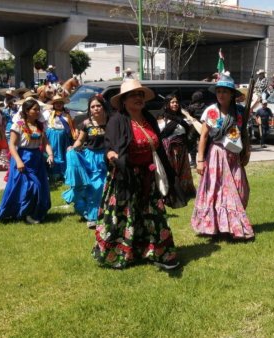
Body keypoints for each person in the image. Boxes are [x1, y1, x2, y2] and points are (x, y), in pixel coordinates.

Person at [92, 79, 179, 270]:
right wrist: (111, 154)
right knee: (124, 217)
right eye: (134, 95)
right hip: (125, 177)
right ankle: (119, 254)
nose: (139, 98)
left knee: (154, 216)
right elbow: (109, 145)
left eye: (141, 95)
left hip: (149, 177)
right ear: (124, 100)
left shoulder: (148, 118)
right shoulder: (117, 120)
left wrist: (169, 173)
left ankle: (159, 253)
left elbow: (158, 147)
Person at [191, 74, 254, 240]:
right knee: (216, 192)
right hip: (216, 156)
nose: (221, 94)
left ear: (232, 94)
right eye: (218, 91)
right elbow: (203, 137)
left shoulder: (239, 112)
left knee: (240, 190)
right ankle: (220, 227)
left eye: (225, 91)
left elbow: (244, 134)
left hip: (234, 156)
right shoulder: (210, 111)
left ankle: (231, 222)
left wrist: (246, 152)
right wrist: (200, 160)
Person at [0, 99, 54, 224]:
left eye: (38, 109)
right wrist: (18, 161)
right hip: (23, 157)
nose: (37, 112)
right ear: (27, 111)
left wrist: (50, 154)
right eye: (34, 109)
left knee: (40, 186)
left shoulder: (40, 125)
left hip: (37, 158)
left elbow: (45, 143)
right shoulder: (18, 125)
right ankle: (23, 212)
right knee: (29, 187)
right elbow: (12, 145)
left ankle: (32, 213)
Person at [62, 94, 109, 228]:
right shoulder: (86, 124)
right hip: (90, 158)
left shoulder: (111, 121)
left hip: (106, 157)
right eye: (92, 106)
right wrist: (73, 147)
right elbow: (80, 140)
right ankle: (92, 216)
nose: (96, 109)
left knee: (105, 186)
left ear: (103, 106)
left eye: (98, 105)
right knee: (96, 186)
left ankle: (105, 212)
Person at [156, 94, 196, 208]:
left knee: (181, 171)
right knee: (171, 171)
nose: (175, 104)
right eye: (172, 102)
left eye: (177, 102)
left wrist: (186, 114)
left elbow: (190, 126)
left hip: (181, 149)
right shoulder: (162, 117)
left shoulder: (182, 117)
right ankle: (172, 195)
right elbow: (160, 134)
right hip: (168, 149)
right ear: (167, 104)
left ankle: (184, 192)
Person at [42, 94, 77, 181]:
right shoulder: (48, 113)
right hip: (52, 135)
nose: (58, 105)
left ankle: (64, 172)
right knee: (54, 153)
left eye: (60, 103)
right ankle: (54, 173)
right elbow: (41, 121)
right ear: (53, 104)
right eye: (56, 103)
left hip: (64, 136)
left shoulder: (68, 113)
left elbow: (73, 123)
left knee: (64, 153)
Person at [186, 90, 207, 167]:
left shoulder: (191, 107)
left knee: (192, 144)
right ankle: (204, 158)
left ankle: (193, 161)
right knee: (204, 143)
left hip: (194, 127)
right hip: (204, 127)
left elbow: (187, 116)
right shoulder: (205, 107)